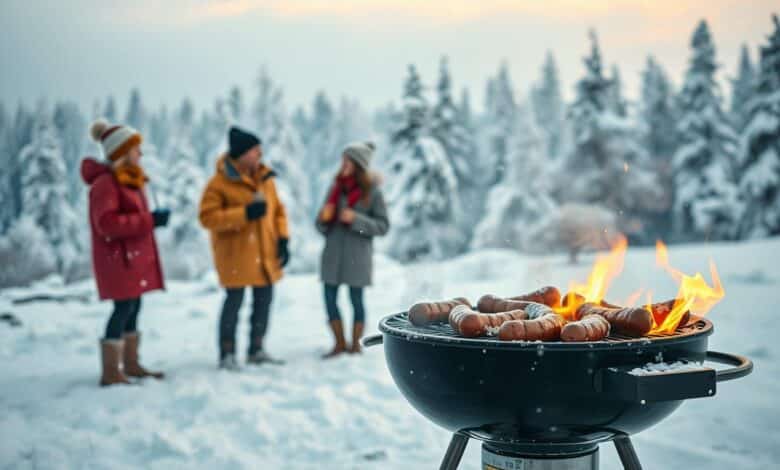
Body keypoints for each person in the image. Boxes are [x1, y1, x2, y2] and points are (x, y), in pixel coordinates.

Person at [81, 118, 170, 387]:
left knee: (134, 306)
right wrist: (150, 220)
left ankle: (130, 364)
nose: (140, 154)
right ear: (121, 152)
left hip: (131, 260)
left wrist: (152, 219)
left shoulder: (129, 181)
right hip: (118, 260)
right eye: (135, 149)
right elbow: (106, 224)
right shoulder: (106, 184)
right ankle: (111, 371)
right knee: (124, 308)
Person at [199, 127, 290, 370]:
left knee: (264, 302)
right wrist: (244, 214)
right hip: (235, 256)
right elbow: (208, 217)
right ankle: (227, 354)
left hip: (265, 254)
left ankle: (256, 350)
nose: (260, 154)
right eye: (255, 150)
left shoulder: (265, 179)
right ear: (241, 153)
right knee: (234, 304)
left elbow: (279, 211)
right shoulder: (218, 183)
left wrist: (283, 239)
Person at [316, 142, 389, 358]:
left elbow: (383, 226)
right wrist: (323, 219)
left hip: (358, 257)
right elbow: (320, 226)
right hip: (332, 255)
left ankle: (355, 345)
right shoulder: (334, 189)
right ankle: (339, 344)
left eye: (348, 160)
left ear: (358, 164)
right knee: (329, 298)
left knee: (356, 300)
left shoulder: (373, 193)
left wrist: (356, 219)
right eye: (343, 160)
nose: (343, 164)